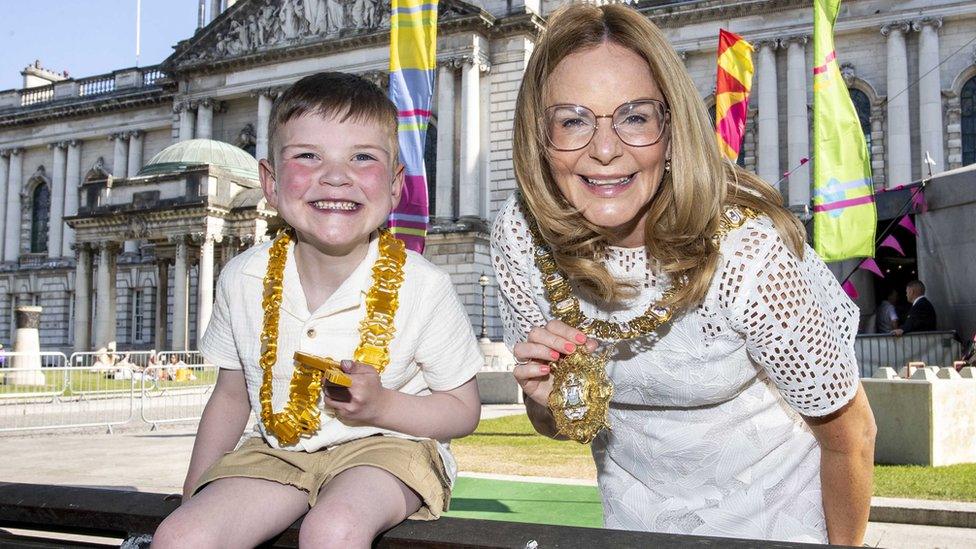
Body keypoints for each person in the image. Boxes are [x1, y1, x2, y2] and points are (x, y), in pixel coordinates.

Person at [490, 4, 876, 545]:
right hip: (635, 527)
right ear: (541, 139)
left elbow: (850, 436)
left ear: (671, 130)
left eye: (635, 117)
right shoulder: (520, 236)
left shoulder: (748, 254)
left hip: (780, 525)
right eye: (573, 119)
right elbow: (558, 426)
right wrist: (544, 397)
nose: (605, 149)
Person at [153, 72, 483, 549]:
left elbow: (463, 411)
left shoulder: (424, 285)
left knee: (333, 530)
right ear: (269, 182)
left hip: (391, 450)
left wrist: (383, 406)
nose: (335, 175)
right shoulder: (241, 277)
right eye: (308, 155)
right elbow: (230, 396)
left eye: (362, 157)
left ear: (395, 187)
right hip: (277, 451)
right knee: (182, 537)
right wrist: (196, 491)